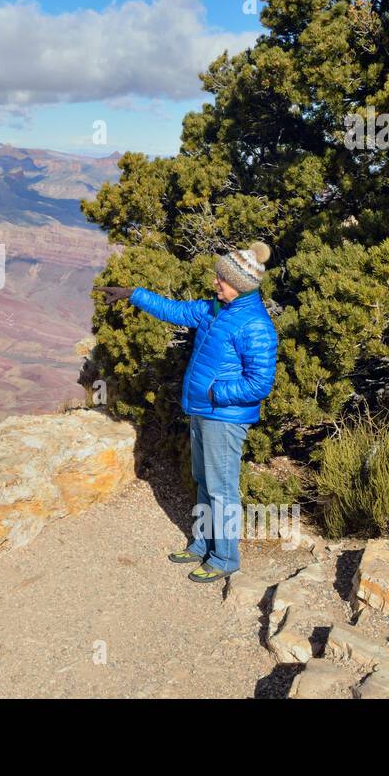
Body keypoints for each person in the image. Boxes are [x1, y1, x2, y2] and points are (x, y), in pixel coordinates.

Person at [96, 242, 277, 585]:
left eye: (221, 280)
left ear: (239, 285)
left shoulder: (255, 326)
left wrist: (215, 392)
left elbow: (259, 384)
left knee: (221, 488)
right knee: (205, 481)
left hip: (224, 418)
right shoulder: (215, 310)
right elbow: (175, 311)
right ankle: (202, 545)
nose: (215, 284)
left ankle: (224, 558)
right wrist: (134, 294)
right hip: (202, 412)